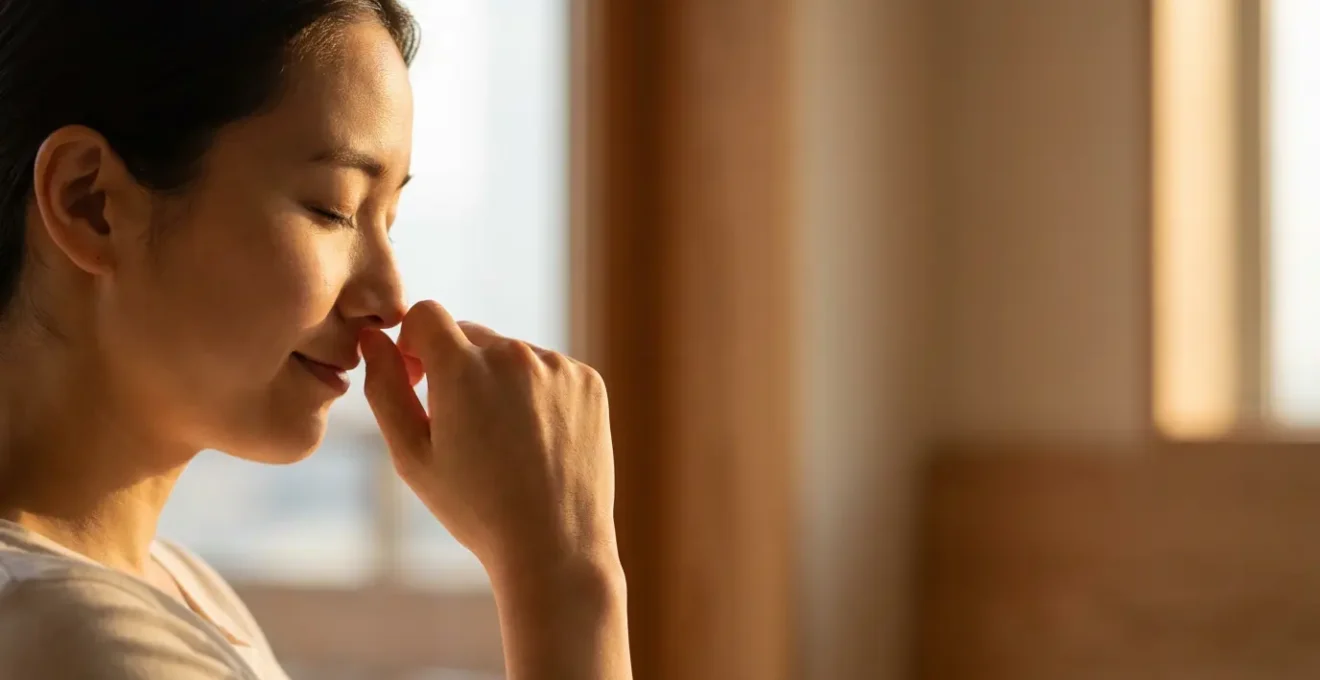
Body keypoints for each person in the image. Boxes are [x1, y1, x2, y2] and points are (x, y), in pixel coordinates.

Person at [0, 1, 631, 678]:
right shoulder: (79, 638)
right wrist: (564, 574)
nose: (390, 299)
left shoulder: (166, 586)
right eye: (331, 208)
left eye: (389, 218)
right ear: (88, 201)